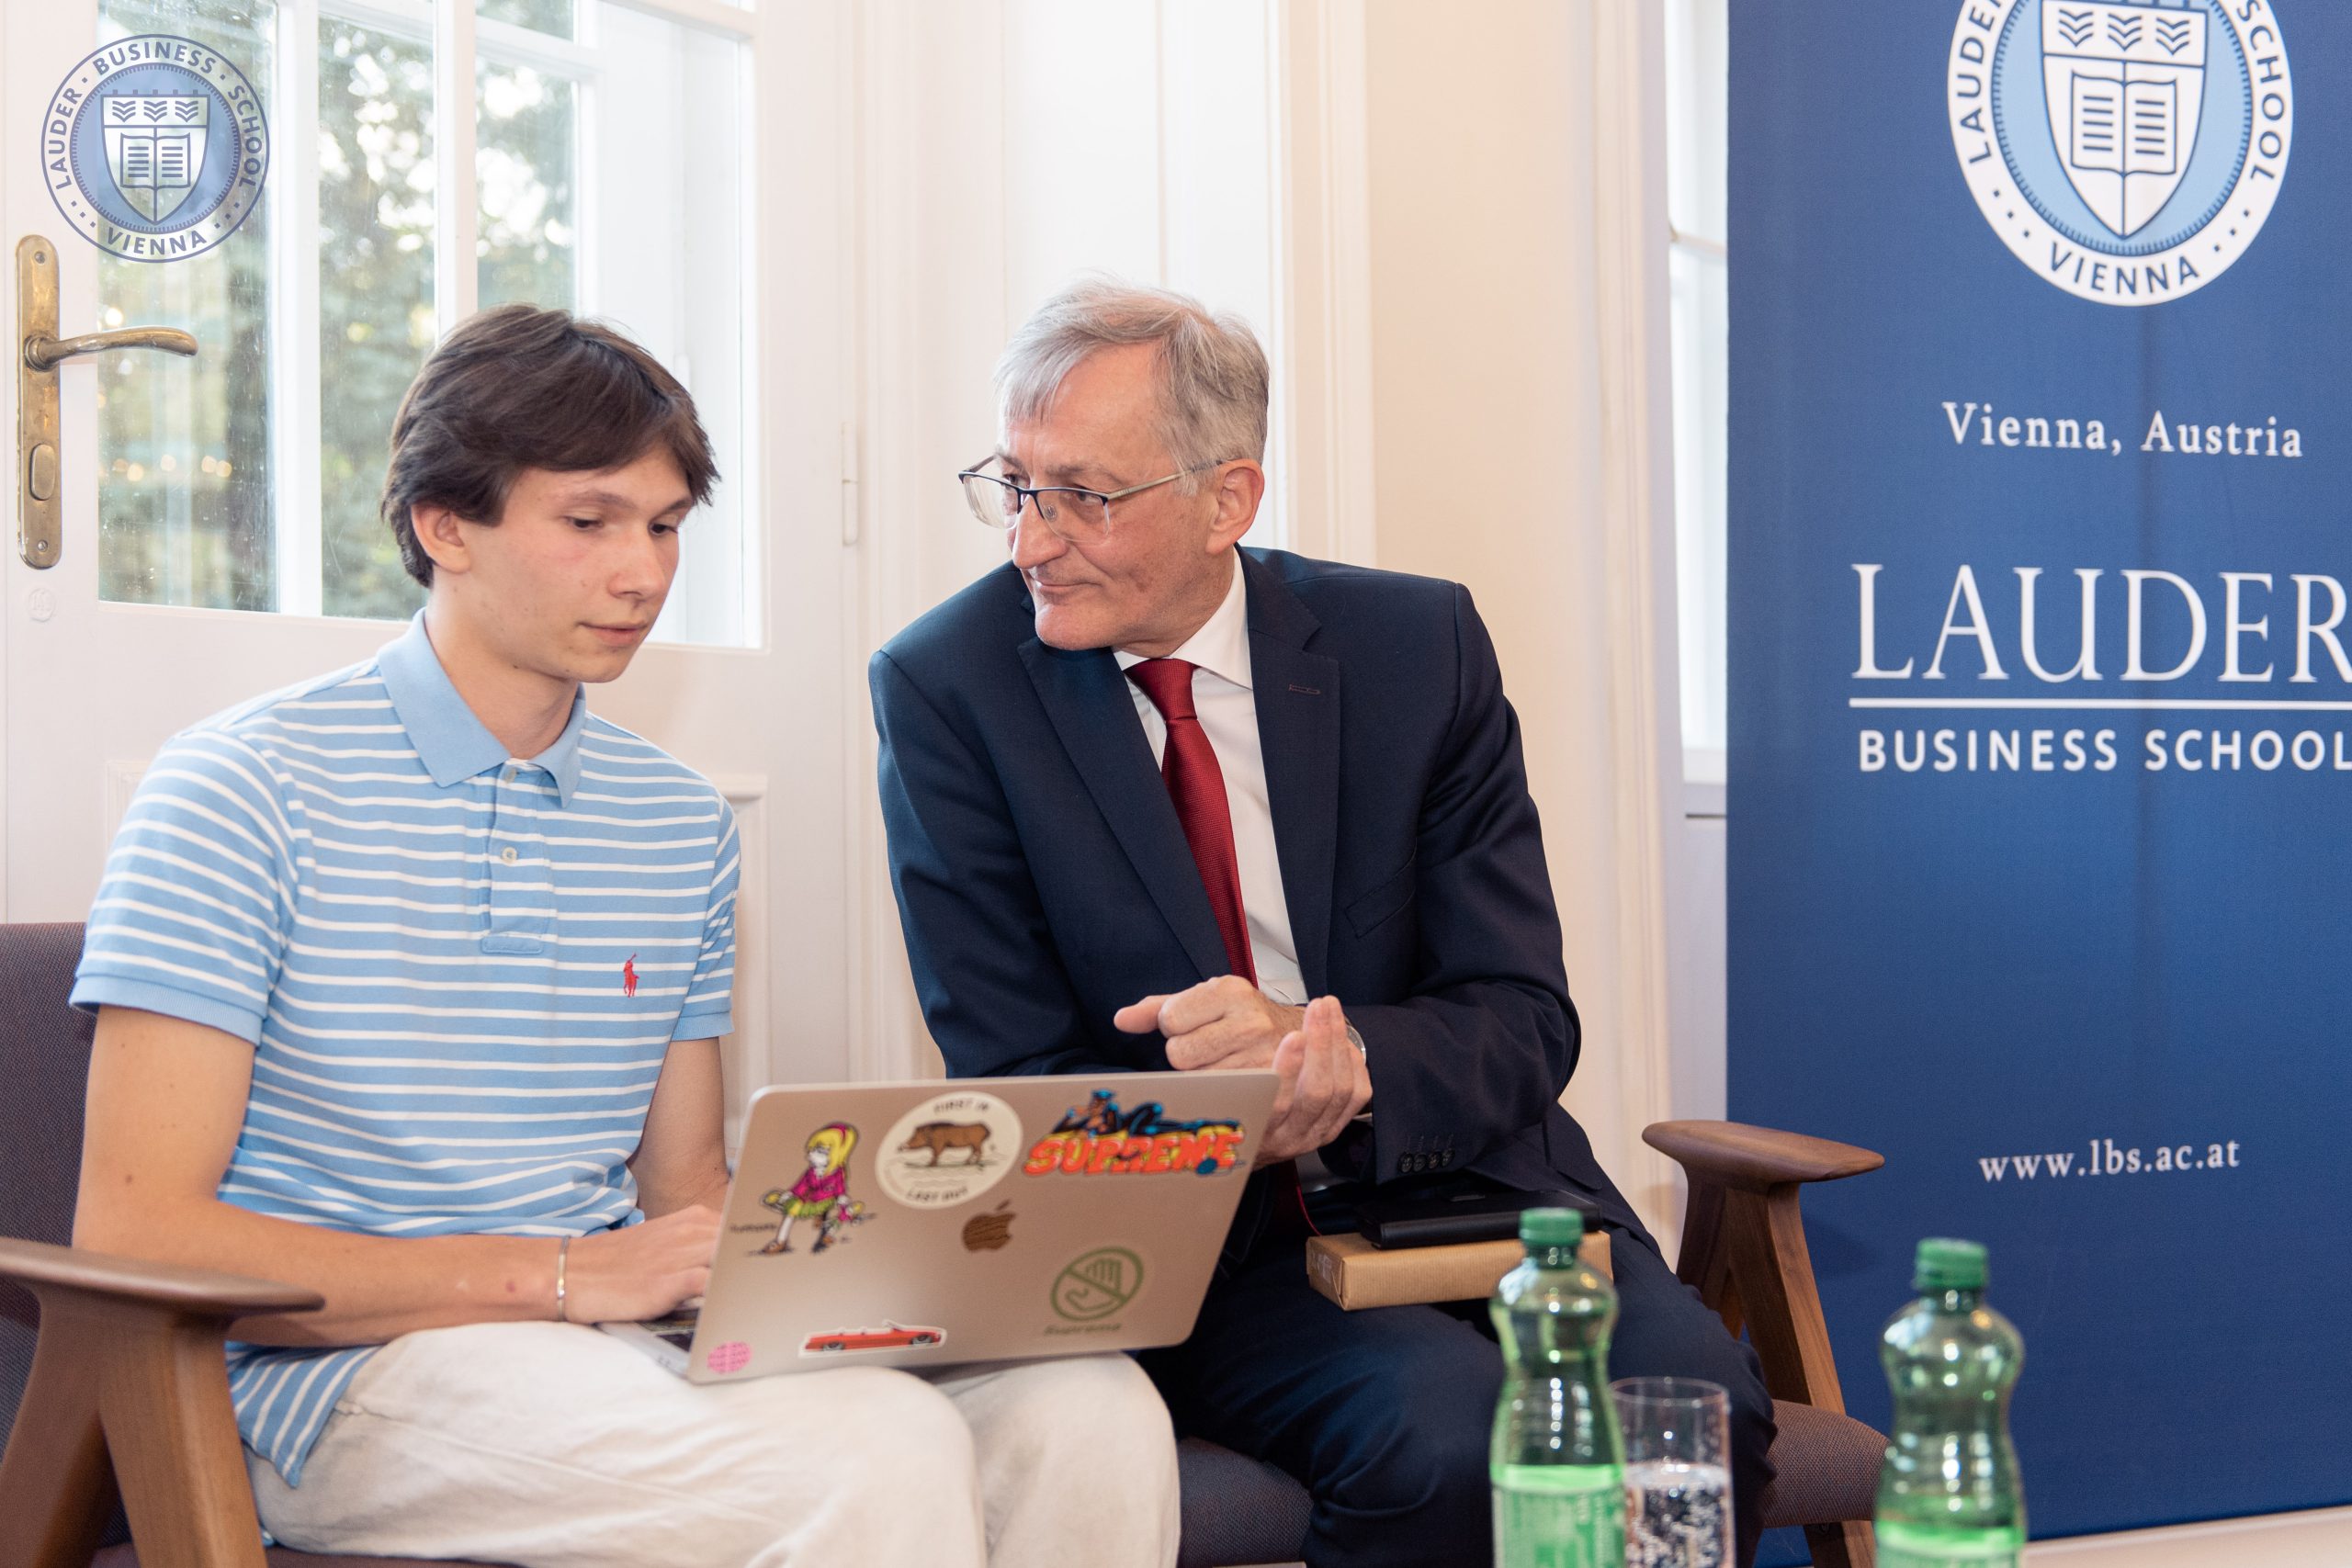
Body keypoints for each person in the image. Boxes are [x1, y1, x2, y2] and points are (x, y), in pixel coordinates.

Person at [69, 304, 1178, 1568]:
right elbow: (139, 1232)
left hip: (612, 1347)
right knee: (876, 1452)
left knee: (1089, 1409)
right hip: (336, 1378)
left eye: (663, 525)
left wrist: (901, 1261)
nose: (643, 573)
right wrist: (556, 1276)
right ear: (444, 526)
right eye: (589, 522)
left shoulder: (678, 824)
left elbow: (684, 1193)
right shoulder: (239, 787)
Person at [869, 277, 1776, 1568]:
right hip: (1204, 1246)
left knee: (1689, 1412)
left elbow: (1523, 1015)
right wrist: (1230, 1106)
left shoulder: (1415, 647)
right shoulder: (950, 689)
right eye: (1015, 486)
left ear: (1227, 499)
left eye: (1084, 496)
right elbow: (1015, 1076)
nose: (1030, 543)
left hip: (1478, 1185)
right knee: (1441, 1436)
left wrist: (1340, 1060)